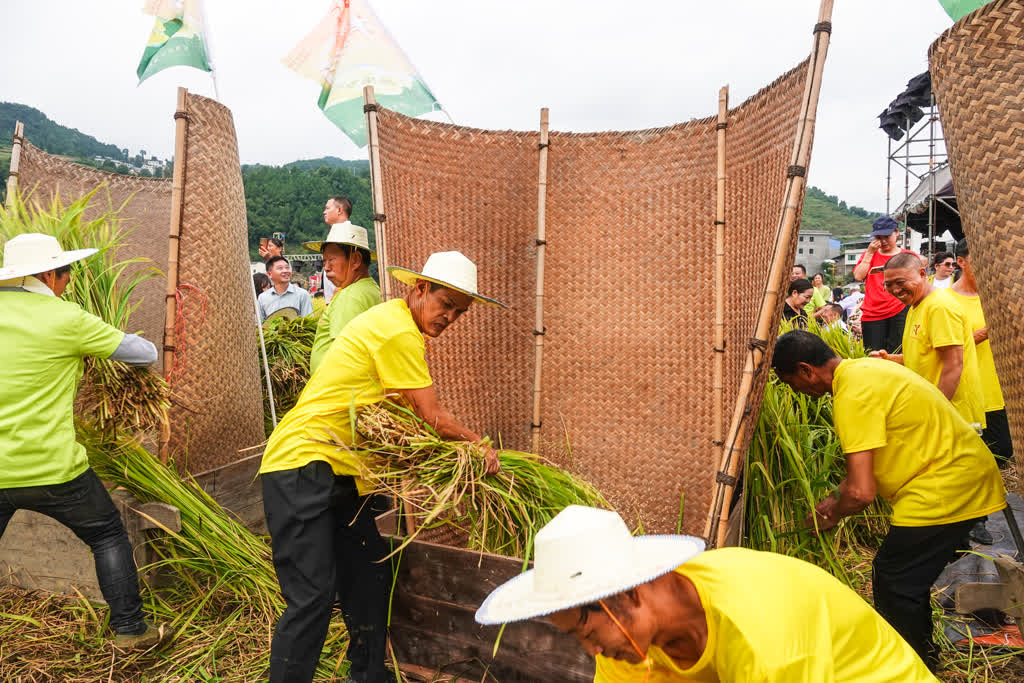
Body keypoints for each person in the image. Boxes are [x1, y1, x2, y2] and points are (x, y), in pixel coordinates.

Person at [260, 251, 506, 683]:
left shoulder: (398, 325)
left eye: (459, 312)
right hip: (302, 463)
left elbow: (404, 420)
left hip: (348, 473)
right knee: (313, 596)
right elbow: (432, 417)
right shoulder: (397, 331)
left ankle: (370, 676)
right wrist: (478, 446)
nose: (450, 317)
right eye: (446, 304)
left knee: (370, 579)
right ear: (421, 289)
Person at [475, 505, 937, 681]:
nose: (592, 650)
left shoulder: (760, 632)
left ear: (625, 595)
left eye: (588, 633)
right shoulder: (625, 642)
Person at [772, 330, 1006, 670]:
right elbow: (864, 469)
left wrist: (831, 515)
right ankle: (920, 654)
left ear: (806, 370)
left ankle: (915, 666)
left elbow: (861, 493)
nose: (796, 391)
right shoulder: (866, 371)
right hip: (961, 475)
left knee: (895, 580)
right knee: (902, 575)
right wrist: (831, 500)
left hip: (946, 486)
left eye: (791, 382)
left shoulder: (852, 394)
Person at [0, 233, 172, 651]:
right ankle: (131, 631)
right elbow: (143, 353)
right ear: (47, 274)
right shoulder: (64, 318)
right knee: (107, 534)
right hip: (53, 468)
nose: (67, 283)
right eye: (65, 275)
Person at [872, 252, 986, 432]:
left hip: (951, 415)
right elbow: (925, 355)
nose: (895, 290)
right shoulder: (916, 306)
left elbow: (954, 364)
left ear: (922, 274)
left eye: (900, 282)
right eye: (888, 284)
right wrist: (889, 359)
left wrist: (935, 412)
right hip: (933, 409)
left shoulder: (939, 307)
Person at [950, 238, 1013, 465]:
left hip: (1000, 389)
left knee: (1004, 450)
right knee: (976, 455)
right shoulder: (947, 301)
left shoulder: (999, 296)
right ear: (961, 262)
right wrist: (988, 331)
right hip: (970, 393)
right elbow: (950, 346)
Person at [304, 222, 381, 374]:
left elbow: (344, 354)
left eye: (331, 260)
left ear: (355, 260)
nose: (326, 268)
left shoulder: (349, 296)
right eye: (324, 261)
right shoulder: (371, 288)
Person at [853, 216, 918, 352]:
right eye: (878, 237)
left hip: (900, 309)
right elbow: (858, 276)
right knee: (873, 354)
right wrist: (870, 253)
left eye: (887, 237)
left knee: (898, 352)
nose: (883, 241)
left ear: (897, 233)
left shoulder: (908, 256)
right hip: (872, 312)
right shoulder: (869, 254)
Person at [258, 255, 313, 322]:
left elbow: (308, 320)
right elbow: (260, 324)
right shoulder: (263, 298)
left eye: (287, 267)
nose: (285, 271)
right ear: (269, 274)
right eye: (280, 268)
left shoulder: (302, 294)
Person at [321, 196, 354, 304]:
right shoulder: (337, 232)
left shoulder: (347, 233)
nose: (324, 212)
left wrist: (341, 288)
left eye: (327, 208)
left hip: (342, 297)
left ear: (339, 210)